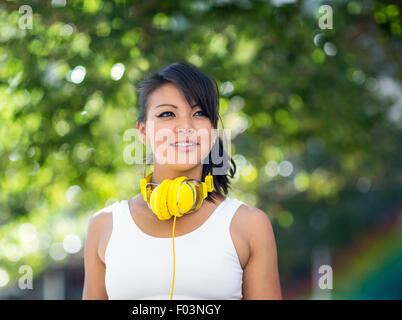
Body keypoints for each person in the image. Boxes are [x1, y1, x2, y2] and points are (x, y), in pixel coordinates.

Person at [82, 61, 282, 300]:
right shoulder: (104, 226)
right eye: (167, 114)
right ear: (143, 131)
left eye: (199, 113)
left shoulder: (250, 225)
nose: (185, 127)